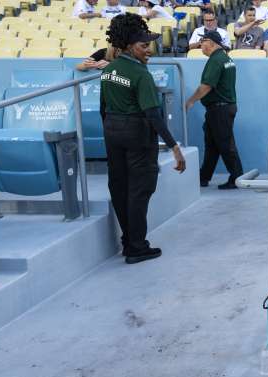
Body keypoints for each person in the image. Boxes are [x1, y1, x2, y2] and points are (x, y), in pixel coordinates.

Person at [100, 13, 186, 264]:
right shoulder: (141, 74)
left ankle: (128, 241)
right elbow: (153, 115)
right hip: (136, 133)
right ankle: (137, 247)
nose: (149, 49)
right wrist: (174, 147)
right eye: (143, 45)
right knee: (139, 190)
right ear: (128, 45)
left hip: (112, 130)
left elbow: (103, 109)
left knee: (119, 187)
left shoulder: (109, 70)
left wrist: (110, 131)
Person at [186, 31, 244, 190]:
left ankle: (237, 178)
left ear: (211, 42)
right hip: (222, 108)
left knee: (226, 145)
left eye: (202, 41)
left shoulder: (216, 60)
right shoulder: (226, 58)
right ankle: (204, 177)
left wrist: (191, 101)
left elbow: (206, 86)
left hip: (220, 109)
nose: (200, 45)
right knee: (212, 145)